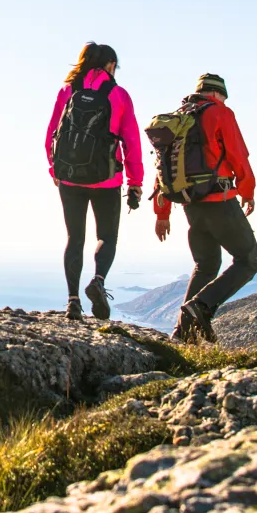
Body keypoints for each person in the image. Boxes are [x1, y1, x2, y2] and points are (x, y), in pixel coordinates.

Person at [148, 73, 257, 342]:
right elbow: (238, 155)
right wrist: (247, 191)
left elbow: (163, 169)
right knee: (250, 259)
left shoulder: (179, 117)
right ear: (219, 94)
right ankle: (202, 306)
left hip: (189, 204)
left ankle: (182, 334)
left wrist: (162, 214)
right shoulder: (220, 113)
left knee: (206, 265)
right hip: (218, 201)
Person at [45, 42, 144, 321]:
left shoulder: (67, 91)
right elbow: (131, 142)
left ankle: (72, 302)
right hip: (107, 179)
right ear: (110, 65)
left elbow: (52, 133)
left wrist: (56, 170)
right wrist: (135, 181)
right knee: (106, 237)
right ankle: (98, 280)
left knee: (74, 238)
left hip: (70, 179)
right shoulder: (119, 95)